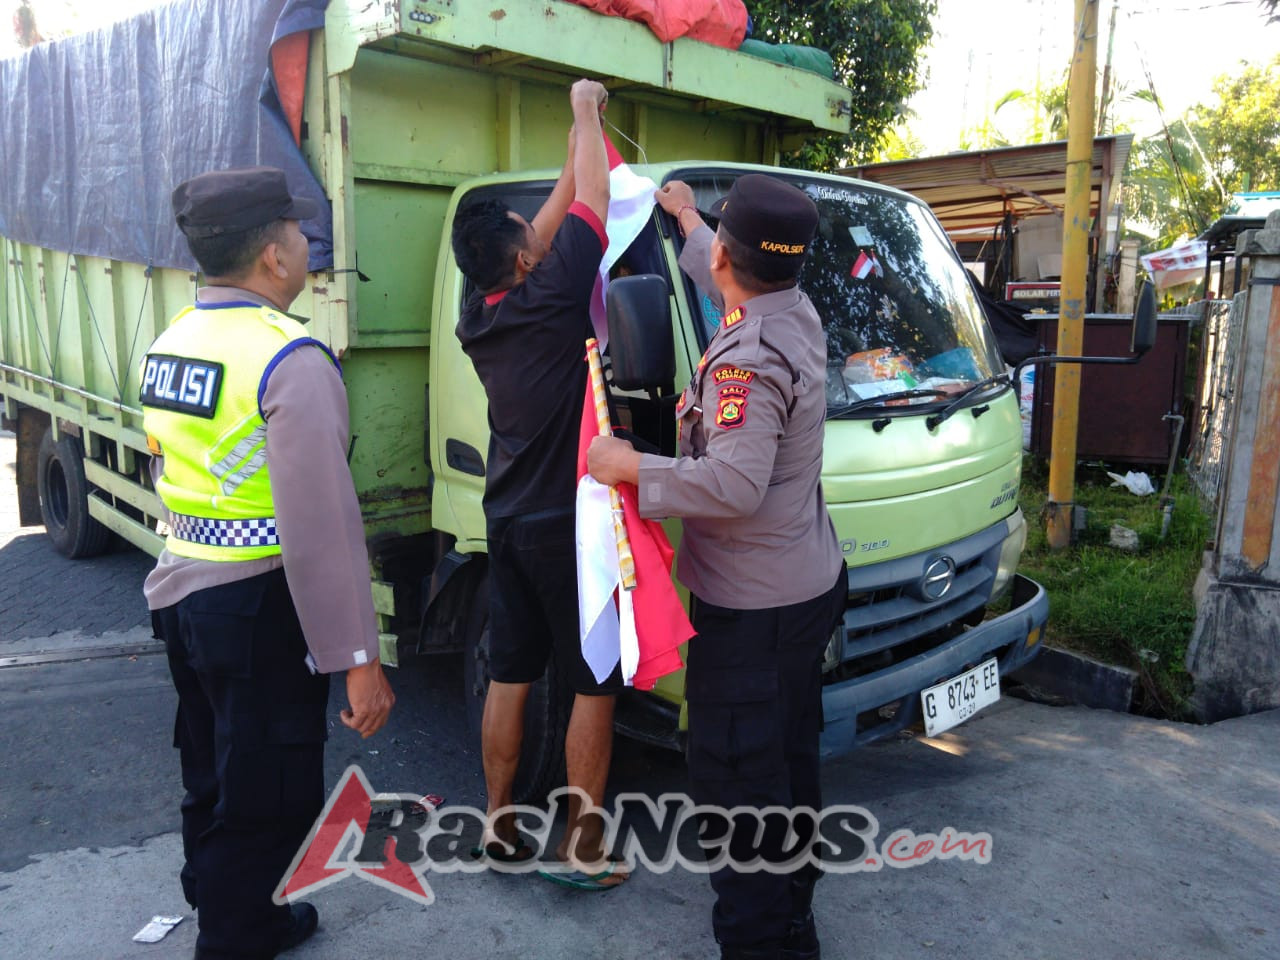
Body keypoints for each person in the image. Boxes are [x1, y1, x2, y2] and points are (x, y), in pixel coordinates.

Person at [588, 174, 847, 958]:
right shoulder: (791, 309)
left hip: (753, 612)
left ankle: (760, 940)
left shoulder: (749, 359)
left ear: (735, 257)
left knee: (738, 787)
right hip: (802, 586)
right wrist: (689, 221)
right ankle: (793, 915)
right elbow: (724, 270)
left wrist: (628, 464)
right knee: (788, 762)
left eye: (718, 246)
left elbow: (733, 484)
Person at [142, 166, 395, 959]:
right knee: (272, 792)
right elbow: (321, 529)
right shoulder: (290, 358)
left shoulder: (172, 341)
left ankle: (227, 900)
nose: (304, 244)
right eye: (295, 231)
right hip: (260, 607)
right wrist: (358, 660)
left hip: (184, 592)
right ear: (273, 259)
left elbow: (171, 467)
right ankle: (235, 934)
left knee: (212, 769)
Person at [450, 79, 627, 890]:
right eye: (531, 238)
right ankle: (583, 847)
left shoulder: (480, 311)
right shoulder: (557, 297)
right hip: (569, 526)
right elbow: (593, 197)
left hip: (509, 517)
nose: (540, 236)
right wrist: (586, 108)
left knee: (512, 673)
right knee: (593, 681)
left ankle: (499, 824)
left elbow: (561, 210)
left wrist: (568, 147)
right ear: (527, 261)